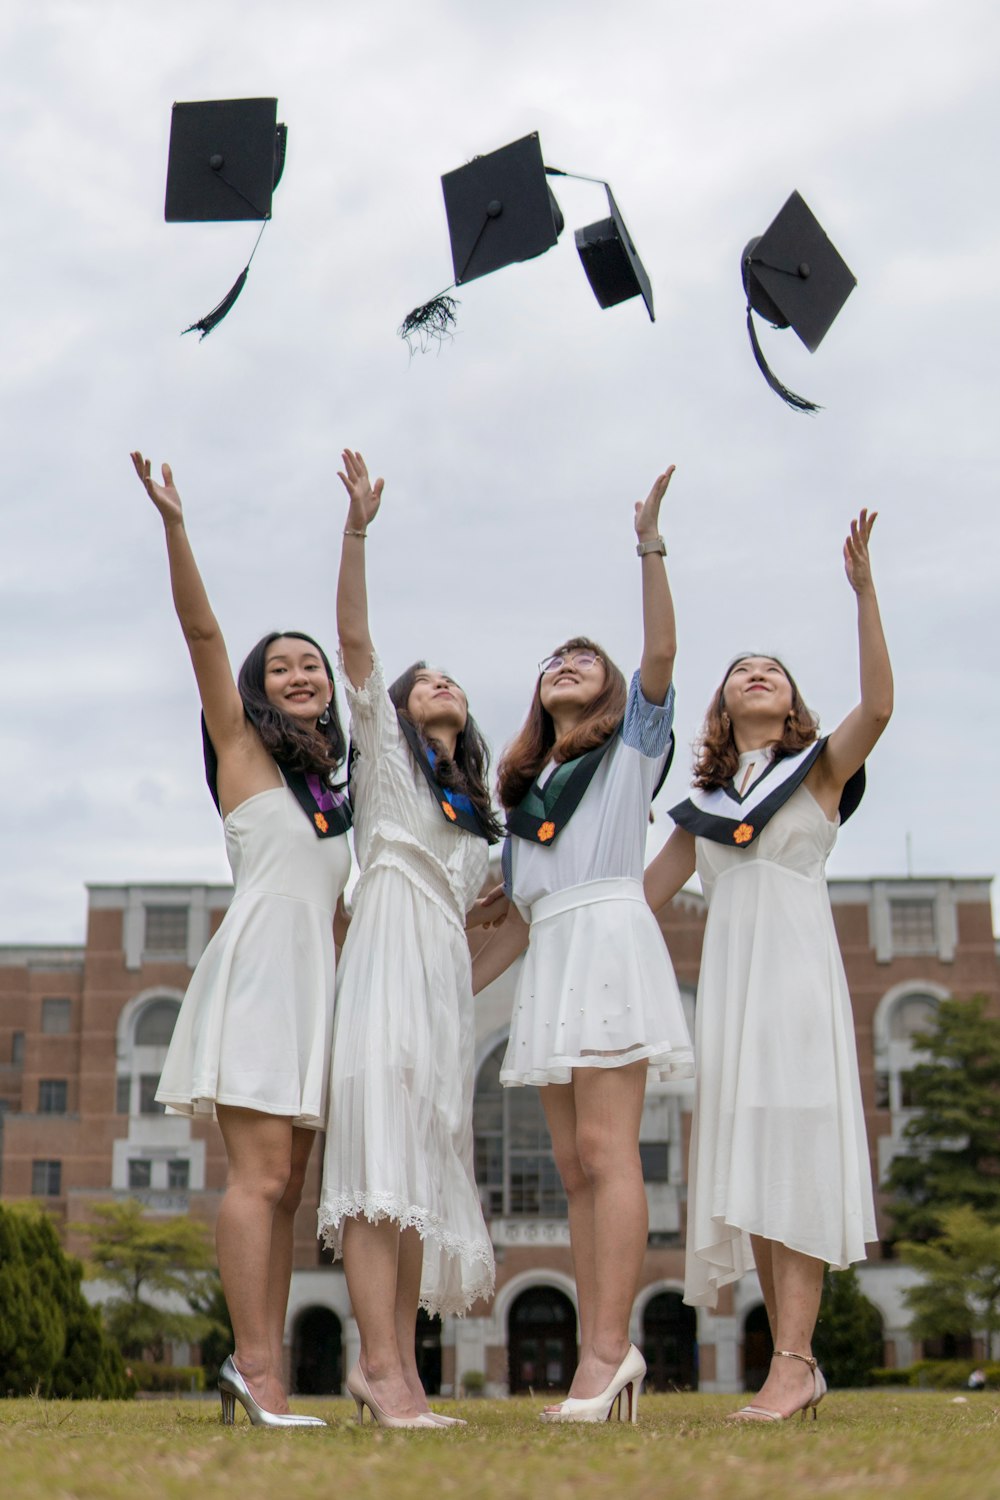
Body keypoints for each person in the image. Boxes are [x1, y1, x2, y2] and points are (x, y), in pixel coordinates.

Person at [644, 509, 892, 1422]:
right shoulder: (703, 804)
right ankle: (791, 1364)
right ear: (724, 704)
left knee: (795, 1145)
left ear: (792, 704)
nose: (758, 672)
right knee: (753, 1156)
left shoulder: (821, 771)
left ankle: (794, 1360)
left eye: (775, 671)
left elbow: (881, 706)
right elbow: (637, 901)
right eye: (743, 669)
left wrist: (864, 595)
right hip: (732, 989)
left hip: (795, 976)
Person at [130, 452, 352, 1429]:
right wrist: (177, 526)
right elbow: (203, 632)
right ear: (260, 691)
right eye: (282, 667)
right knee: (258, 1178)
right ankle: (256, 1371)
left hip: (318, 986)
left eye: (312, 665)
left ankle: (261, 1377)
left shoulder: (339, 792)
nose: (299, 674)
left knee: (288, 1186)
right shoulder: (241, 749)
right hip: (263, 975)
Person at [471, 467, 694, 1424]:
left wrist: (647, 544)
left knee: (610, 1153)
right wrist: (438, 987)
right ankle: (598, 1365)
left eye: (582, 657)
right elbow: (517, 922)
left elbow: (660, 655)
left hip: (608, 941)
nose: (566, 662)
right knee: (573, 1169)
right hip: (552, 960)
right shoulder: (521, 799)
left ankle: (608, 1353)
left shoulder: (629, 752)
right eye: (552, 658)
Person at [318, 449, 501, 1430]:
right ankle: (377, 1369)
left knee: (422, 1166)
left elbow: (498, 913)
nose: (437, 685)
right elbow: (355, 641)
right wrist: (357, 531)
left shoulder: (478, 808)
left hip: (440, 974)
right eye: (421, 679)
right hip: (386, 939)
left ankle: (405, 1381)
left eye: (450, 681)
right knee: (377, 1160)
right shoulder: (384, 757)